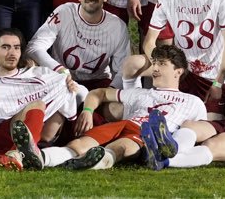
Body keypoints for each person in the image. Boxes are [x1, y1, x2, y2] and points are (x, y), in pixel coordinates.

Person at [30, 44, 207, 171]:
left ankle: (95, 162)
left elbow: (196, 133)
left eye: (162, 64)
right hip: (125, 123)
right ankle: (41, 158)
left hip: (147, 134)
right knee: (78, 144)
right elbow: (99, 93)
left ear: (178, 71)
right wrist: (88, 111)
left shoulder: (193, 102)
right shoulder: (140, 93)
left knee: (121, 147)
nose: (155, 68)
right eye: (154, 63)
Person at [27, 0, 131, 90]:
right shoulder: (64, 12)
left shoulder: (118, 26)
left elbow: (124, 69)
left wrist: (110, 91)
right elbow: (34, 47)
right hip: (61, 78)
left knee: (113, 102)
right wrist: (59, 69)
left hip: (98, 82)